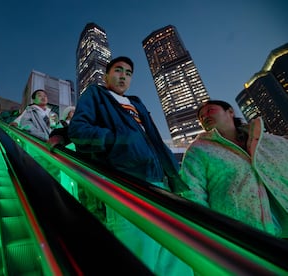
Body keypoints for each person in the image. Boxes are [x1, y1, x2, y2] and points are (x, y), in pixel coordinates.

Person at [67, 56, 193, 275]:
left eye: (128, 72)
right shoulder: (96, 95)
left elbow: (154, 141)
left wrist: (173, 177)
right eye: (118, 70)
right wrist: (119, 139)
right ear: (106, 75)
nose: (123, 75)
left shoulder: (137, 103)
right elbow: (78, 131)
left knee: (175, 261)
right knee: (139, 258)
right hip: (125, 185)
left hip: (160, 184)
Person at [179, 100, 288, 238]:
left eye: (210, 110)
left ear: (230, 112)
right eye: (201, 117)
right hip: (245, 234)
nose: (205, 117)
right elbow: (192, 192)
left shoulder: (266, 140)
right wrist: (210, 233)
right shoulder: (198, 149)